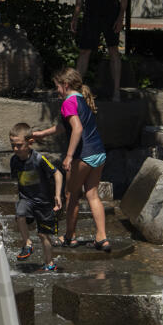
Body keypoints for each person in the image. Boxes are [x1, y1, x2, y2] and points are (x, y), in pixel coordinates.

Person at [30, 67, 111, 251]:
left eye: (57, 86)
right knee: (92, 194)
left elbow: (77, 128)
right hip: (99, 153)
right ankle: (102, 238)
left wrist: (68, 156)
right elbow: (64, 125)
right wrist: (42, 133)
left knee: (70, 195)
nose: (57, 90)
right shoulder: (81, 100)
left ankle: (69, 237)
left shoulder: (68, 102)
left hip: (83, 155)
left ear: (65, 85)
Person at [10, 123, 63, 272]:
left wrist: (57, 195)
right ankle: (27, 244)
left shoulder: (39, 159)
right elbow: (18, 180)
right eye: (13, 145)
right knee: (20, 213)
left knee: (43, 235)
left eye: (19, 145)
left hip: (44, 203)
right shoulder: (14, 160)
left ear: (30, 142)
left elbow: (57, 173)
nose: (15, 149)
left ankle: (49, 263)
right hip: (26, 199)